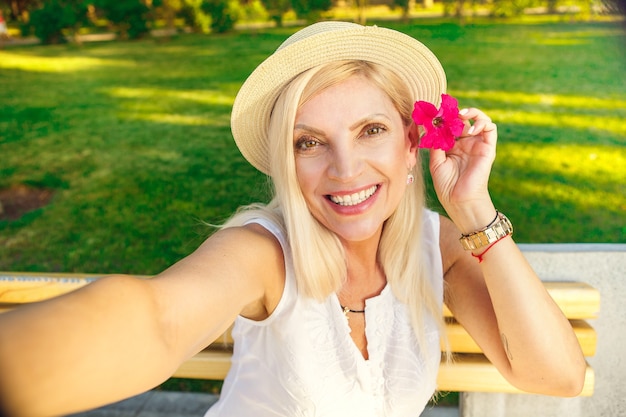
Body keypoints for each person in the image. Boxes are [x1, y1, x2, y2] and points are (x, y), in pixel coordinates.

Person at [0, 21, 586, 417]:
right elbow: (156, 320)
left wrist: (473, 209)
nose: (345, 169)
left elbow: (556, 375)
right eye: (310, 142)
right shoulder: (262, 253)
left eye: (371, 131)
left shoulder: (442, 246)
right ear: (288, 161)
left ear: (413, 144)